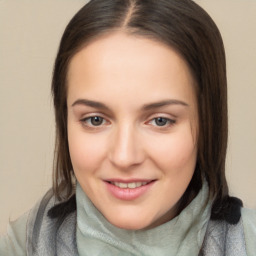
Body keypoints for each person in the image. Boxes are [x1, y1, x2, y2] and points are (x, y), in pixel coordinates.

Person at [1, 0, 255, 255]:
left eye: (160, 120)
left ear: (208, 123)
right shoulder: (20, 247)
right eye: (95, 120)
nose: (124, 157)